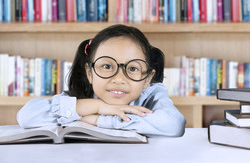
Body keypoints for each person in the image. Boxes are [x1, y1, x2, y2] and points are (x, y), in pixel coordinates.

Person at [17, 24, 186, 137]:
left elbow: (175, 125)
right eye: (107, 66)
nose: (119, 79)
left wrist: (97, 120)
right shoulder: (81, 96)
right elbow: (27, 116)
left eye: (133, 69)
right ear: (90, 73)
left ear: (147, 78)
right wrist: (99, 107)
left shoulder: (152, 94)